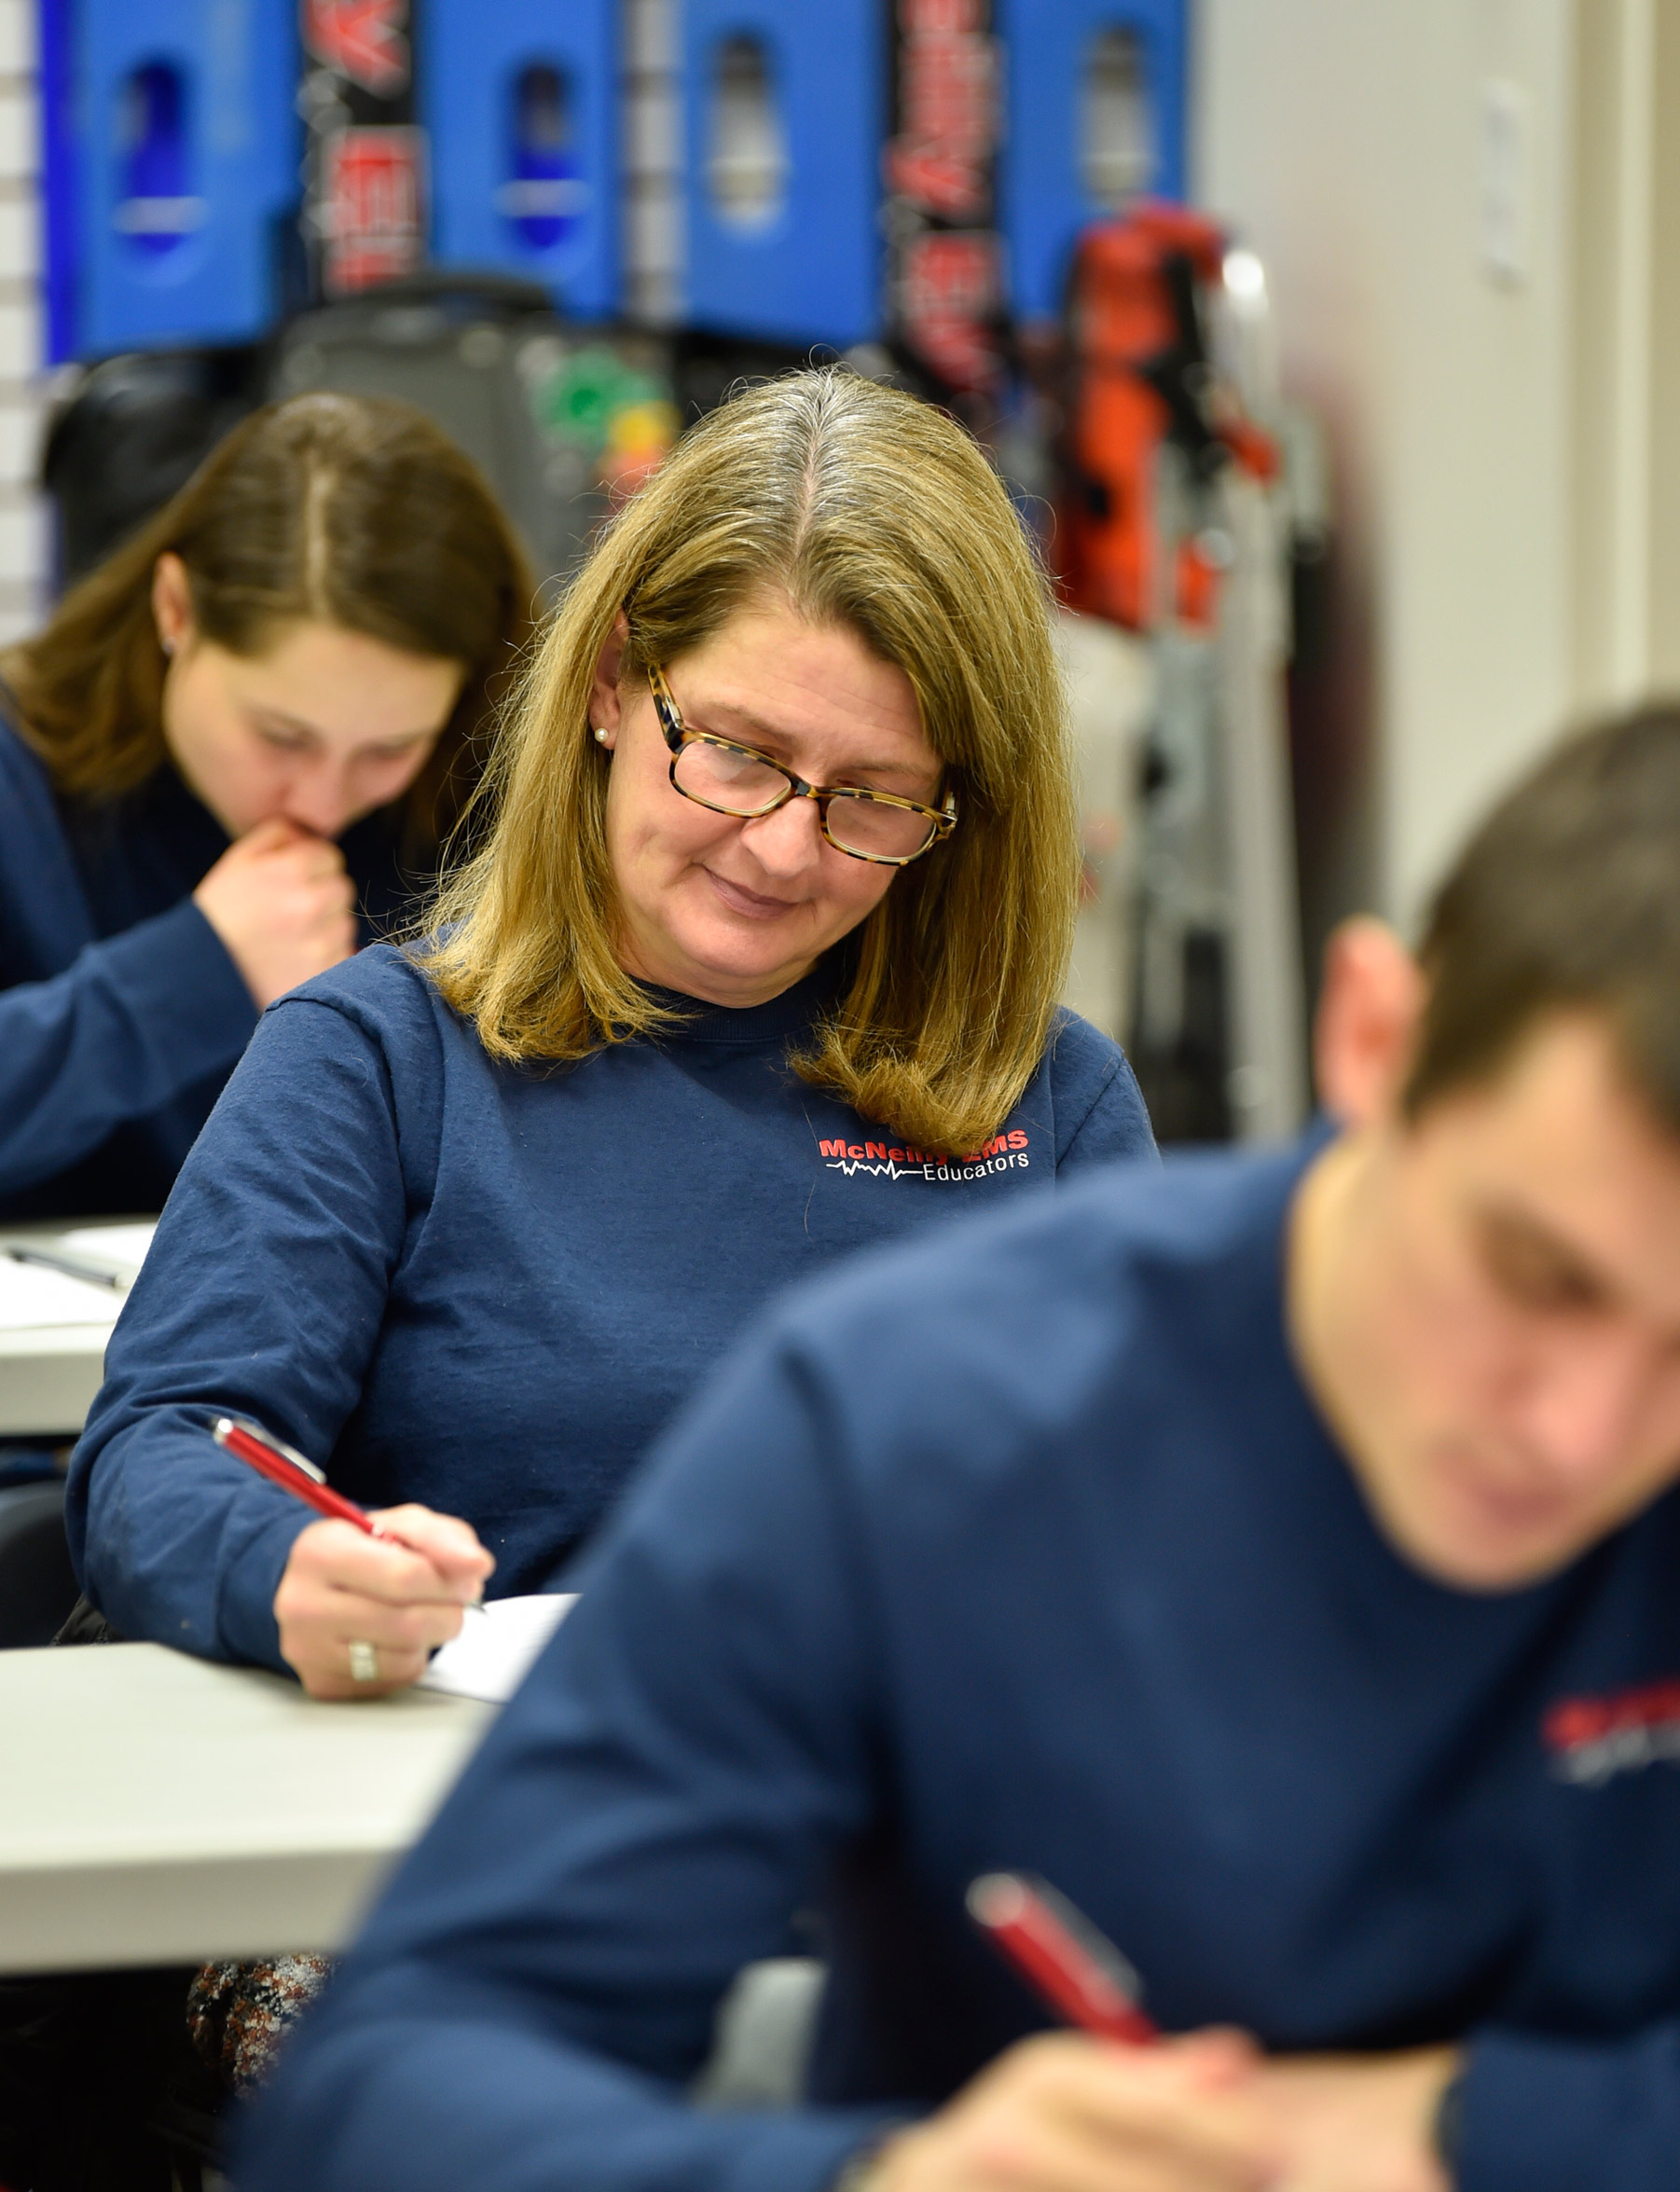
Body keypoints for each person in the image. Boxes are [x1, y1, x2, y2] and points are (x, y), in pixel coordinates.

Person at [237, 702, 1680, 2192]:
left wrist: (1459, 2131)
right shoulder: (913, 1423)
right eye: (1533, 1273)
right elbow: (386, 2087)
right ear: (1374, 1038)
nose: (1579, 1431)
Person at [63, 367, 1154, 1703]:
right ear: (611, 684)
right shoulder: (379, 1061)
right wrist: (294, 1565)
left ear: (955, 818)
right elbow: (164, 1453)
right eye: (740, 752)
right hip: (502, 1837)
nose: (781, 845)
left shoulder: (1055, 1100)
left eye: (871, 798)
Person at [0, 390, 534, 1223]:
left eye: (388, 750)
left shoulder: (485, 803)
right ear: (175, 610)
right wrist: (188, 977)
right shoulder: (17, 775)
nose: (323, 801)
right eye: (282, 735)